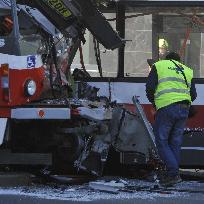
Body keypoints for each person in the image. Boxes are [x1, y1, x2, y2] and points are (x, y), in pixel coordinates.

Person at [146, 52, 197, 186]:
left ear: (167, 59)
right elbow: (193, 94)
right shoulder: (187, 70)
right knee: (175, 142)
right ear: (179, 61)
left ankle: (173, 173)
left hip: (166, 107)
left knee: (161, 141)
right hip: (184, 109)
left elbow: (150, 88)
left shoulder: (159, 65)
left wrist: (156, 103)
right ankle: (172, 174)